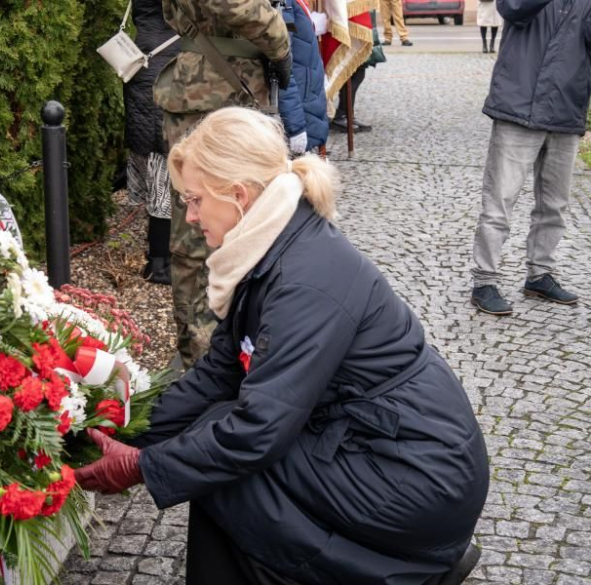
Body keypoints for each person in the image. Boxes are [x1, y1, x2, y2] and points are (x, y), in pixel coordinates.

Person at [76, 107, 490, 585]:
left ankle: (402, 569)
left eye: (193, 200)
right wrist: (120, 427)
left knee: (226, 465)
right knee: (211, 443)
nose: (188, 217)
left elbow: (258, 430)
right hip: (370, 442)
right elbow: (220, 375)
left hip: (418, 477)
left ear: (237, 195)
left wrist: (143, 466)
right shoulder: (270, 245)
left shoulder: (304, 280)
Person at [154, 0, 292, 371]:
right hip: (213, 91)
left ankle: (227, 352)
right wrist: (280, 39)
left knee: (242, 225)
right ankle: (204, 363)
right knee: (201, 233)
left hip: (225, 86)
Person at [470, 0, 590, 315]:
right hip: (517, 107)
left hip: (566, 109)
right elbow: (512, 7)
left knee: (554, 206)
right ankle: (485, 279)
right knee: (499, 204)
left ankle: (540, 274)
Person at [124, 0, 180, 285]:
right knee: (165, 166)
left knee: (156, 160)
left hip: (143, 60)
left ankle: (156, 258)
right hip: (172, 67)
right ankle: (162, 263)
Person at [278, 0, 329, 155]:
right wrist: (295, 126)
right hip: (299, 103)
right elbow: (280, 65)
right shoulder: (284, 3)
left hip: (307, 97)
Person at [330, 10, 386, 133]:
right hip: (350, 23)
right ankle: (342, 115)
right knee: (350, 74)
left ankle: (348, 114)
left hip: (361, 22)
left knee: (358, 72)